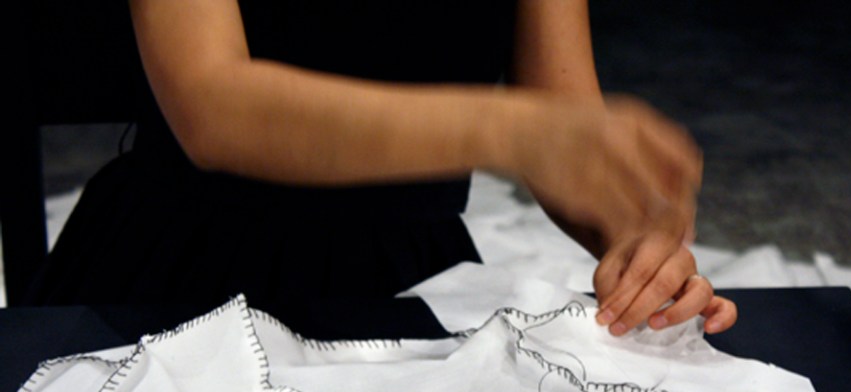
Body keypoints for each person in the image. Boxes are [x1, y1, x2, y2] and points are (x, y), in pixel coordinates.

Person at [26, 0, 736, 336]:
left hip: (409, 281)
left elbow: (567, 126)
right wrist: (509, 129)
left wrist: (634, 246)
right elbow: (212, 108)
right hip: (184, 277)